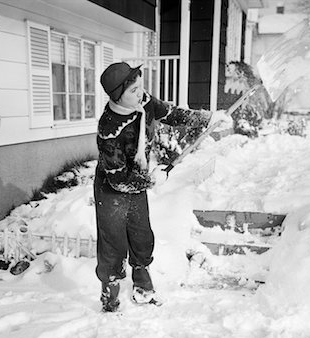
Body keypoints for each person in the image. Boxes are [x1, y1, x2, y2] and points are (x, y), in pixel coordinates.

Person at [94, 62, 231, 312]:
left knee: (141, 234)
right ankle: (110, 296)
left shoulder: (142, 101)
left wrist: (209, 117)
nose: (141, 93)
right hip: (112, 188)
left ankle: (143, 288)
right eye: (134, 90)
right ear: (117, 95)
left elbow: (170, 113)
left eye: (140, 87)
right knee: (113, 242)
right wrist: (151, 180)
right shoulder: (109, 129)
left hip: (136, 179)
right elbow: (118, 179)